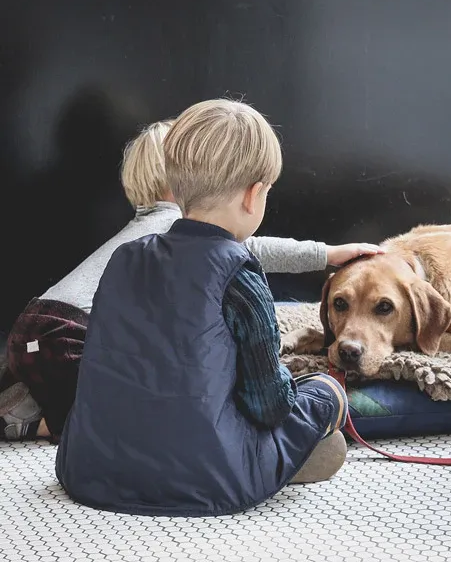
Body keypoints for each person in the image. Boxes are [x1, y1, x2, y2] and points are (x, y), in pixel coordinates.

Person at [55, 99, 354, 516]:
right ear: (254, 196)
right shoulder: (238, 273)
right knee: (324, 392)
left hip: (90, 467)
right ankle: (283, 455)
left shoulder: (124, 257)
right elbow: (269, 405)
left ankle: (266, 455)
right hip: (207, 477)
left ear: (175, 189)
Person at [0, 119, 381, 442]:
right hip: (66, 331)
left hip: (39, 327)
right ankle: (33, 424)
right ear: (181, 182)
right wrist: (326, 254)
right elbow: (252, 248)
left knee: (73, 386)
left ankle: (23, 402)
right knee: (102, 419)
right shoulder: (175, 228)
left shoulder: (146, 229)